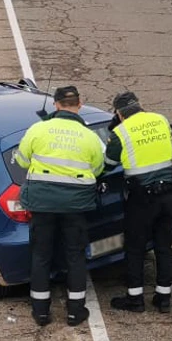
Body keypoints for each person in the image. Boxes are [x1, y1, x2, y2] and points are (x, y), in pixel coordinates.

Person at [13, 85, 106, 327]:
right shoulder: (90, 137)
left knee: (41, 255)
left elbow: (22, 160)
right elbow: (97, 169)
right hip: (75, 206)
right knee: (75, 256)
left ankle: (41, 312)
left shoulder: (38, 129)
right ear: (79, 104)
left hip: (42, 204)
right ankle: (76, 312)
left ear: (55, 105)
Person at [105, 91, 172, 314]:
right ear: (140, 105)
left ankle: (135, 299)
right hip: (168, 196)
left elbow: (108, 165)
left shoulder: (120, 132)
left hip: (141, 199)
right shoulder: (161, 120)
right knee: (164, 246)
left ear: (118, 113)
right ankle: (163, 298)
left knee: (135, 248)